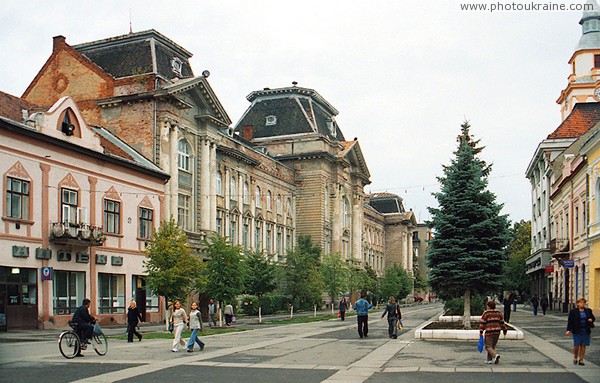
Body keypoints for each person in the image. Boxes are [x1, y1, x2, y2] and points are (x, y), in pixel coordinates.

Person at [566, 297, 596, 366]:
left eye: (583, 303)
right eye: (581, 302)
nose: (582, 304)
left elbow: (593, 318)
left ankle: (581, 359)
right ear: (578, 303)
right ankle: (575, 357)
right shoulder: (573, 311)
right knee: (576, 345)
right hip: (577, 330)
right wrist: (568, 330)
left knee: (583, 345)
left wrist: (591, 320)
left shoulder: (588, 311)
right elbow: (570, 321)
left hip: (585, 330)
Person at [479, 300, 508, 365]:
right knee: (492, 346)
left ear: (489, 306)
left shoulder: (486, 313)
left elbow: (482, 323)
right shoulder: (498, 312)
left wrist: (481, 331)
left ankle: (495, 356)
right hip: (497, 331)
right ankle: (489, 360)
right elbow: (502, 322)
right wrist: (505, 330)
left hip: (489, 332)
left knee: (488, 346)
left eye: (487, 305)